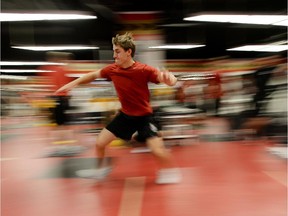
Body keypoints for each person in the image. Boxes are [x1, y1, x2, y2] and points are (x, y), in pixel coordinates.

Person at [55, 32, 182, 184]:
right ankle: (100, 170)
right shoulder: (112, 70)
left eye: (117, 51)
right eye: (114, 51)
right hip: (125, 116)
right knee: (99, 143)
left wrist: (171, 81)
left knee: (157, 150)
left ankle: (170, 171)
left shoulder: (143, 70)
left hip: (144, 116)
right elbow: (93, 75)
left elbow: (165, 78)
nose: (114, 55)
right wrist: (71, 84)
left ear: (129, 52)